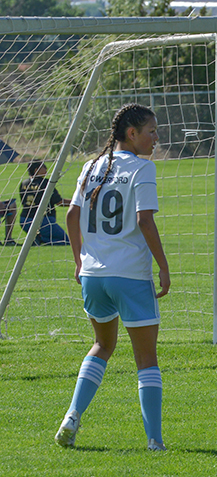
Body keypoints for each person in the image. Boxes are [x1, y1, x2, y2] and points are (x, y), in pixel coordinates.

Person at [54, 104, 171, 451]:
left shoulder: (91, 166)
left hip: (93, 275)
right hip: (130, 276)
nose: (155, 137)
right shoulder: (141, 168)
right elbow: (145, 221)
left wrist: (79, 261)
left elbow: (72, 216)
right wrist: (163, 266)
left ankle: (72, 416)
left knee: (103, 345)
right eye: (151, 131)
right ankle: (154, 440)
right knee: (146, 359)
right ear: (131, 134)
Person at [19, 160, 71, 246]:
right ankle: (41, 239)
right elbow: (59, 202)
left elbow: (23, 202)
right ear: (36, 170)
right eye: (43, 166)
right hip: (43, 221)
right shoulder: (46, 183)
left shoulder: (24, 183)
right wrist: (77, 202)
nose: (46, 168)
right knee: (66, 241)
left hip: (25, 220)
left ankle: (38, 238)